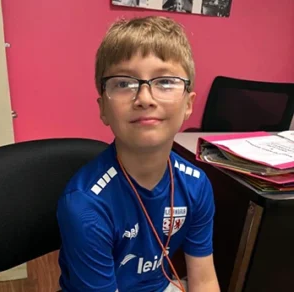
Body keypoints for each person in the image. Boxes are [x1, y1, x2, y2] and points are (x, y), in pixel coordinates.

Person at [57, 16, 220, 292]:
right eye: (123, 83)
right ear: (103, 109)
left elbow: (203, 280)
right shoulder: (86, 206)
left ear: (188, 105)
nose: (145, 98)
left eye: (166, 82)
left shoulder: (196, 185)